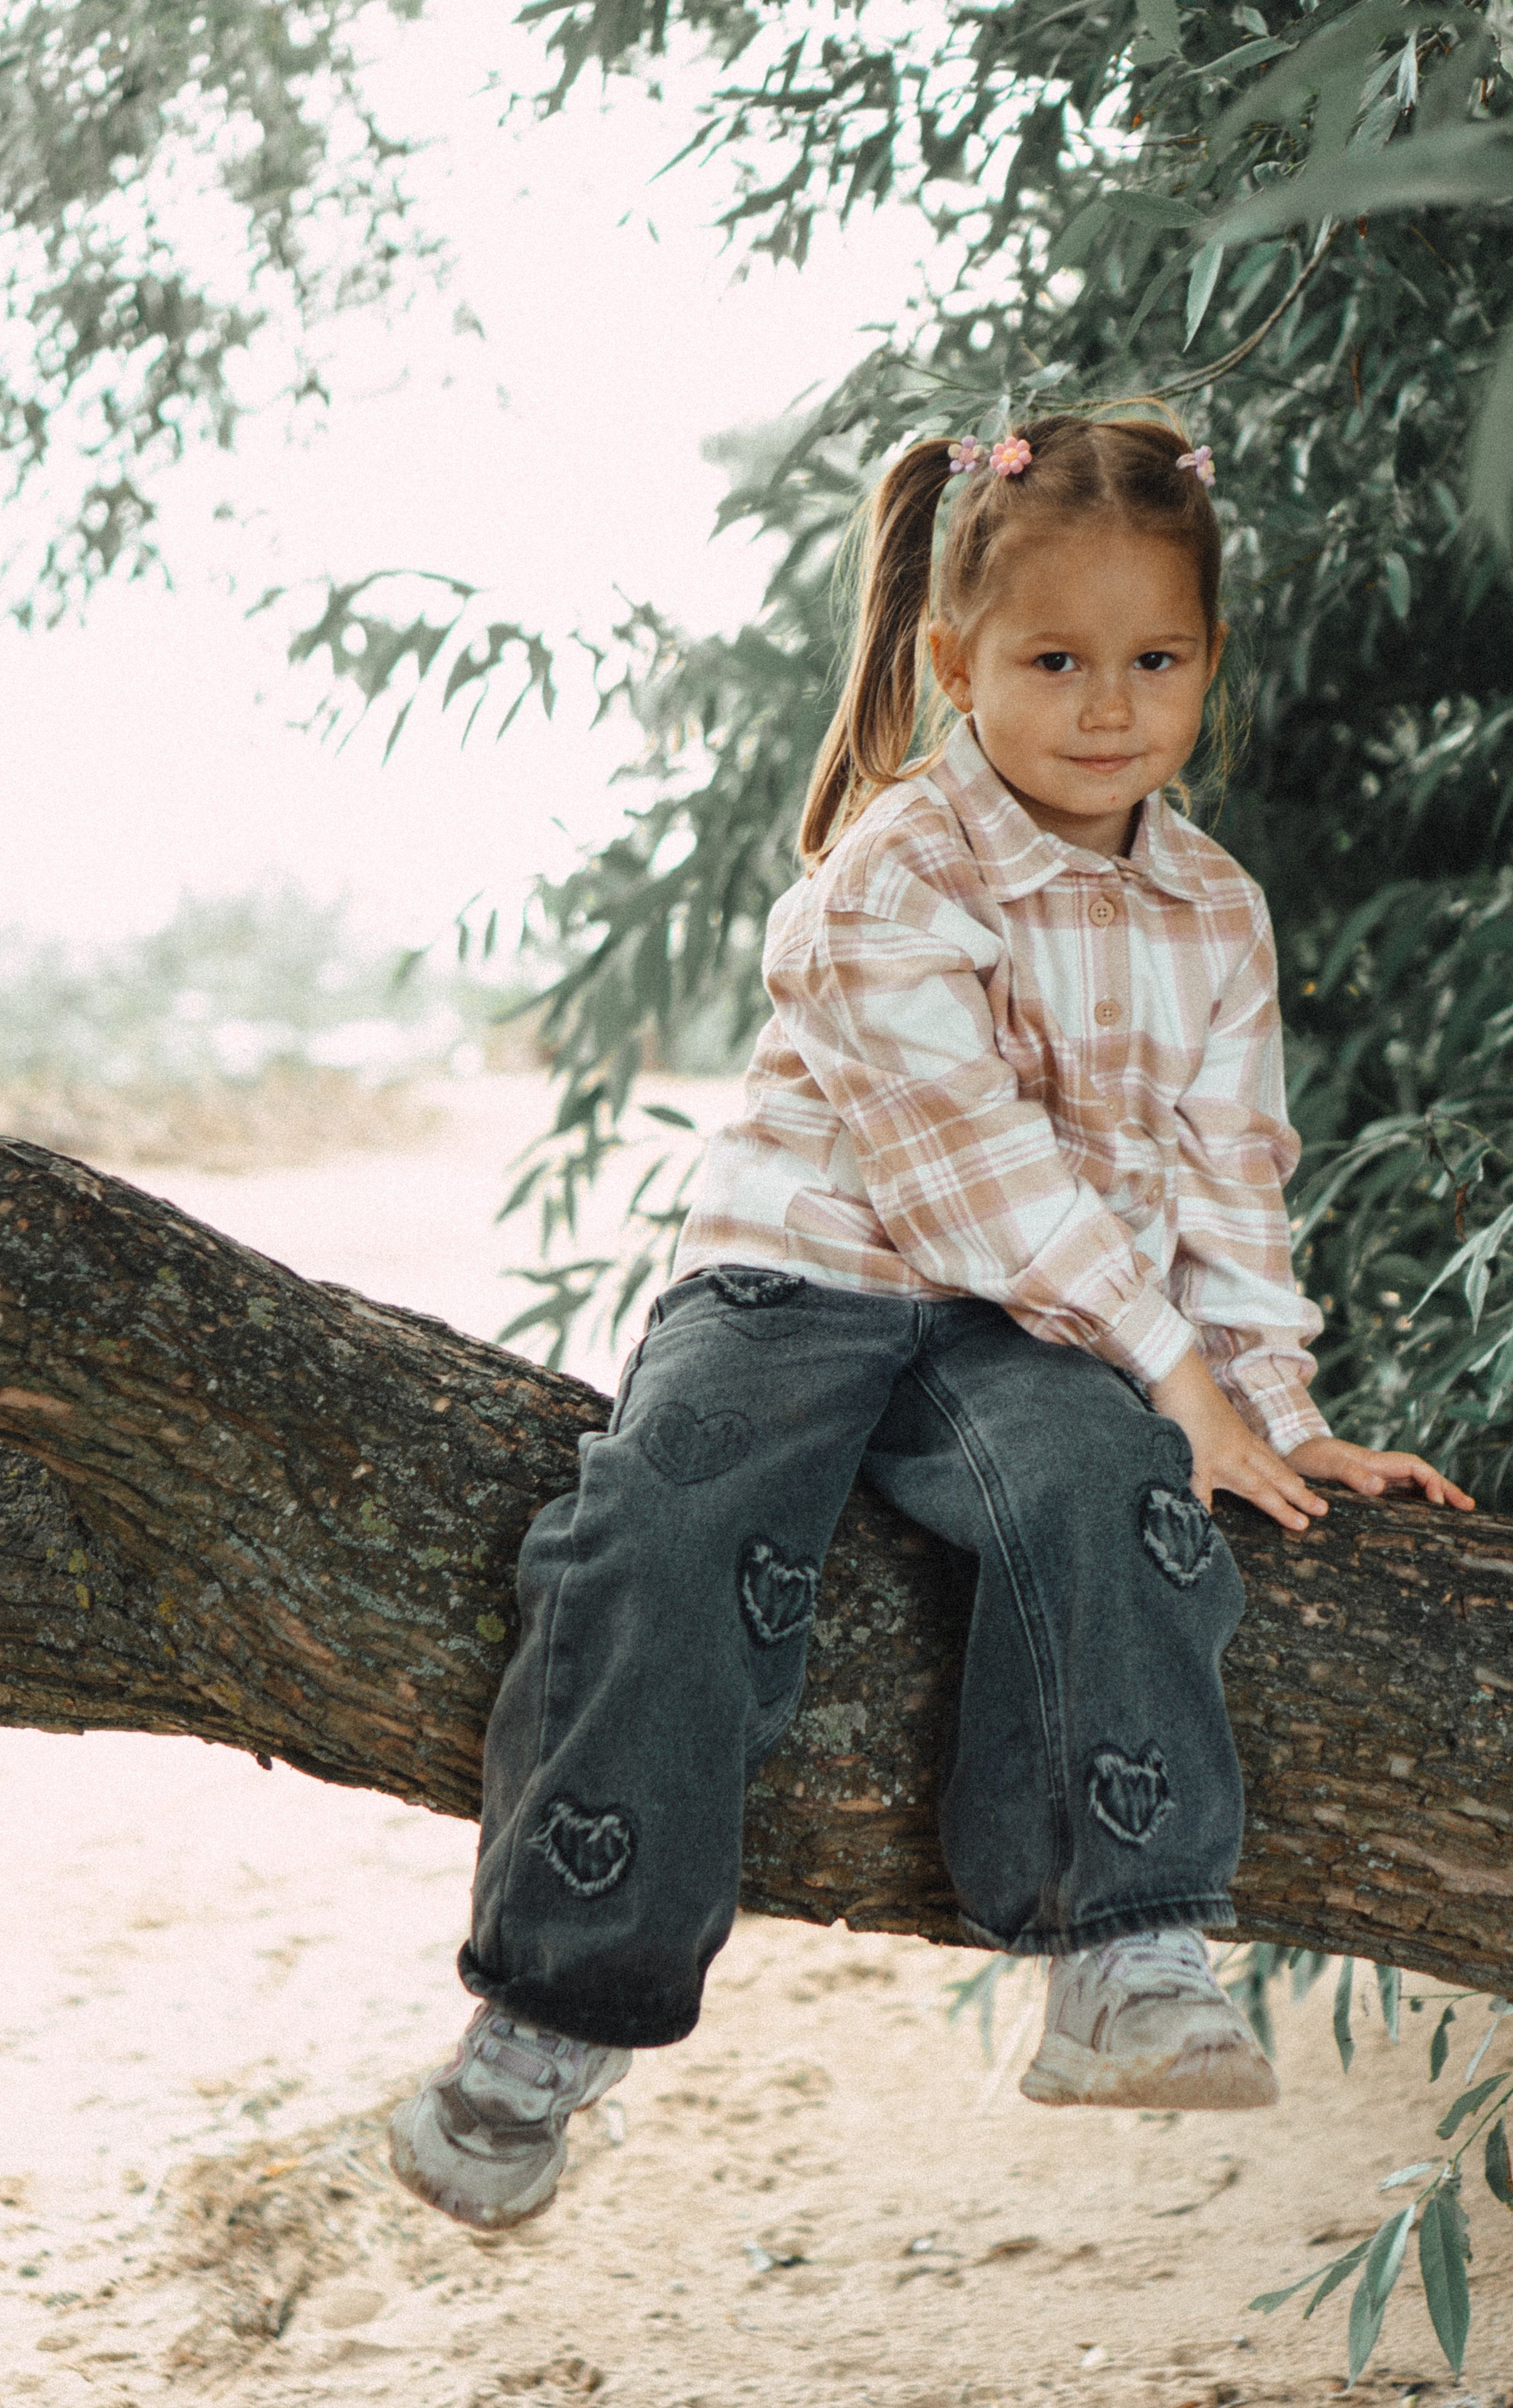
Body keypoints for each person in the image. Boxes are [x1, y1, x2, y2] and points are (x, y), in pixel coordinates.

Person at [388, 412, 1474, 2232]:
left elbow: (1229, 1179)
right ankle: (548, 2019)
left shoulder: (1214, 909)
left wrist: (1263, 1413)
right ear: (956, 661)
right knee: (668, 1521)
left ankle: (1126, 1949)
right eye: (1057, 661)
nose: (1110, 705)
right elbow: (974, 1178)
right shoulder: (894, 870)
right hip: (804, 1276)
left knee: (1123, 1488)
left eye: (1158, 660)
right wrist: (1182, 1369)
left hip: (1033, 1328)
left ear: (1211, 663)